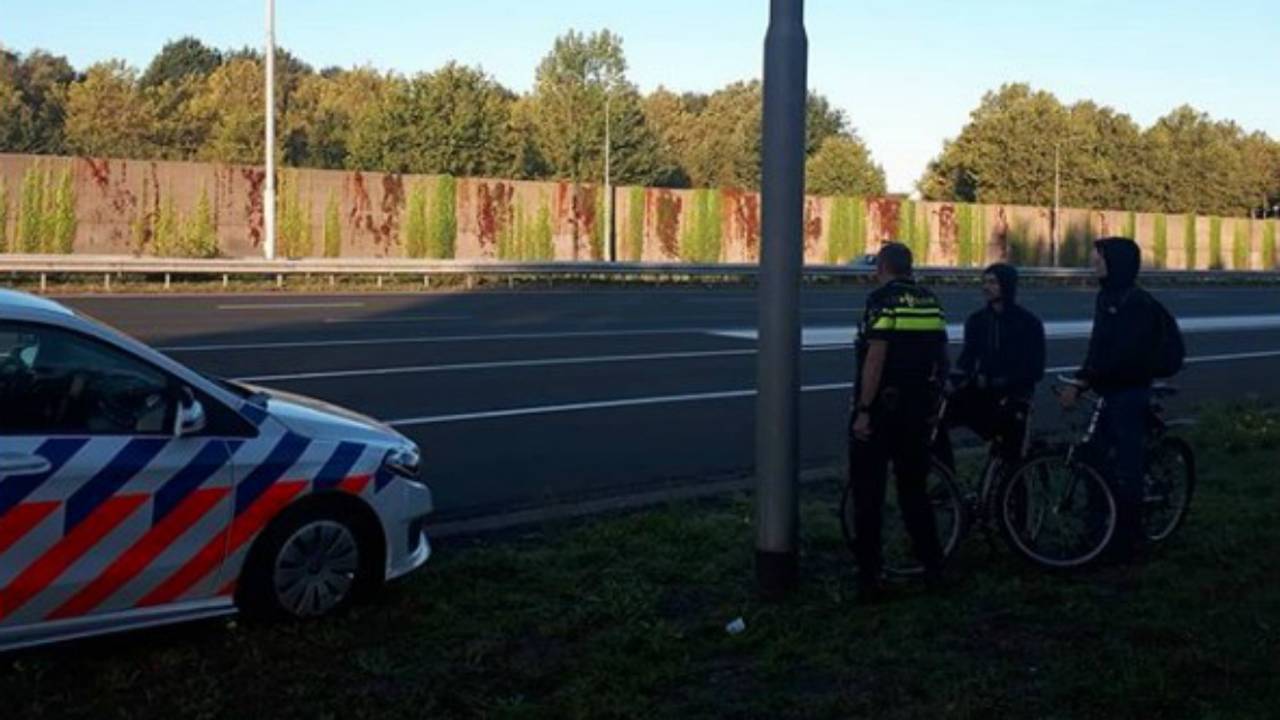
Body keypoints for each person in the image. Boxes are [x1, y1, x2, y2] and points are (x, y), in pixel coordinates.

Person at [849, 242, 950, 601]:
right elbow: (941, 357)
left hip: (882, 410)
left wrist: (863, 409)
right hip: (918, 410)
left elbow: (876, 357)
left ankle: (870, 576)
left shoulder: (882, 300)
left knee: (868, 494)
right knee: (914, 492)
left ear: (883, 266)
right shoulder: (931, 301)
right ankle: (934, 567)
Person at [1058, 236, 1162, 560]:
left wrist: (1084, 382)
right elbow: (1098, 347)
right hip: (1109, 389)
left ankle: (1129, 540)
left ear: (1115, 263)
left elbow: (1121, 356)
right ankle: (1099, 530)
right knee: (1094, 459)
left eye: (1098, 259)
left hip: (1129, 392)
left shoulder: (1136, 304)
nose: (1093, 263)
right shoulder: (1107, 298)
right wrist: (1082, 377)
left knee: (1126, 467)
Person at [935, 263, 1046, 470]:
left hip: (1014, 397)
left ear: (1007, 285)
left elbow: (1035, 369)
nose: (986, 287)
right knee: (935, 416)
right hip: (982, 393)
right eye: (984, 282)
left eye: (993, 282)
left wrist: (1002, 380)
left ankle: (1013, 494)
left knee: (1011, 461)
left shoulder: (1028, 323)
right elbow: (967, 359)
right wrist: (952, 382)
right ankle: (946, 475)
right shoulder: (977, 321)